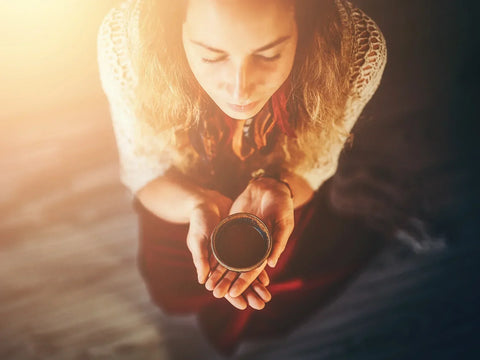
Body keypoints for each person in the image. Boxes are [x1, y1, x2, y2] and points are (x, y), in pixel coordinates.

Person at [98, 0, 387, 353]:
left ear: (305, 23)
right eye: (212, 56)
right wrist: (197, 203)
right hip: (177, 195)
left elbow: (315, 167)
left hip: (275, 201)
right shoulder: (129, 44)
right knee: (171, 293)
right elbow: (144, 172)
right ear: (175, 26)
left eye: (268, 55)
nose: (239, 91)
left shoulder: (354, 52)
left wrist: (282, 186)